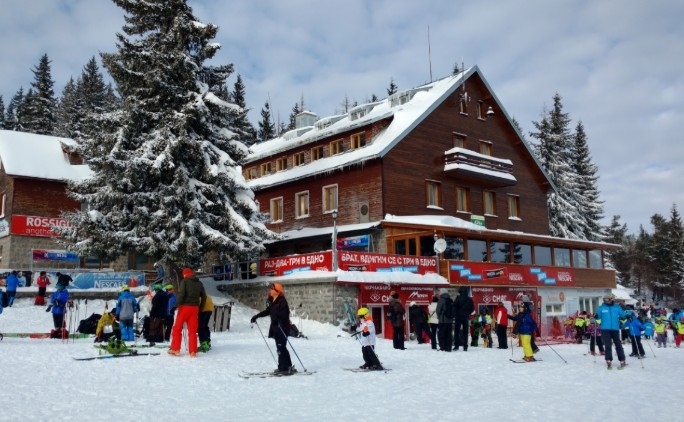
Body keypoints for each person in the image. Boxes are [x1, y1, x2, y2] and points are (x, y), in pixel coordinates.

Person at [250, 282, 295, 373]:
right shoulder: (271, 300)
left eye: (272, 288)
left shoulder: (282, 301)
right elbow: (268, 311)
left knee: (281, 347)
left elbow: (285, 314)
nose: (270, 290)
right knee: (281, 348)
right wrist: (257, 316)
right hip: (275, 328)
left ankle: (284, 368)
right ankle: (287, 366)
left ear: (277, 291)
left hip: (282, 328)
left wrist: (278, 319)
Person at [169, 268, 206, 357]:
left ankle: (175, 349)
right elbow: (204, 297)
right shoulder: (199, 283)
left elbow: (181, 294)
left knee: (177, 328)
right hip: (195, 309)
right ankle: (193, 351)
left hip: (185, 308)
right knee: (192, 331)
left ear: (185, 274)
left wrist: (175, 306)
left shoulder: (185, 281)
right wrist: (200, 308)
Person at [597, 293, 627, 369]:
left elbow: (623, 315)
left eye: (607, 299)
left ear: (612, 299)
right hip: (605, 329)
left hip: (615, 329)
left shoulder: (617, 308)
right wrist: (596, 318)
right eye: (605, 299)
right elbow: (598, 318)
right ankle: (608, 359)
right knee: (608, 345)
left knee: (618, 345)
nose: (606, 301)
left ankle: (622, 359)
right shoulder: (601, 308)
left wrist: (628, 316)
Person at [453, 286, 474, 351]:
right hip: (465, 317)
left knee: (457, 331)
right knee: (465, 332)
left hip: (458, 316)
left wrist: (456, 313)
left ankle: (456, 346)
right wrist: (467, 313)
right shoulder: (469, 299)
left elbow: (454, 306)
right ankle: (465, 346)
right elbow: (472, 308)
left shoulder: (458, 298)